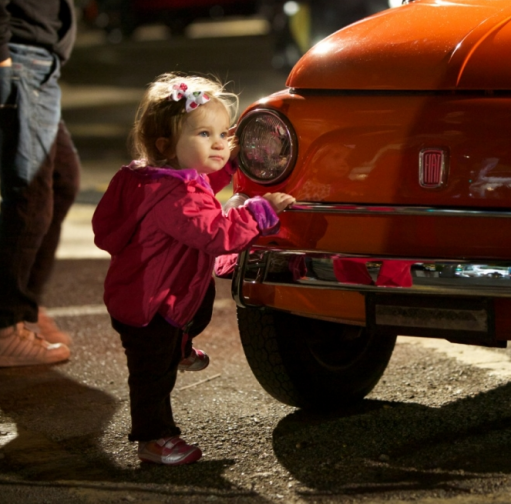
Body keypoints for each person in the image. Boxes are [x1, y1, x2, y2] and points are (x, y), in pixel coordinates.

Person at [92, 73, 295, 465]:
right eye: (205, 135)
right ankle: (154, 439)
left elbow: (200, 181)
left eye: (223, 134)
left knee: (198, 305)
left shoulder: (155, 176)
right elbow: (217, 233)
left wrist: (230, 162)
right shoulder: (173, 196)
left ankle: (181, 346)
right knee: (153, 378)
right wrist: (261, 211)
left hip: (163, 293)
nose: (219, 143)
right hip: (147, 307)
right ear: (165, 144)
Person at [0, 0, 79, 366]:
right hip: (20, 57)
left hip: (37, 62)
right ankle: (5, 325)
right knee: (30, 196)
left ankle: (21, 306)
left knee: (62, 180)